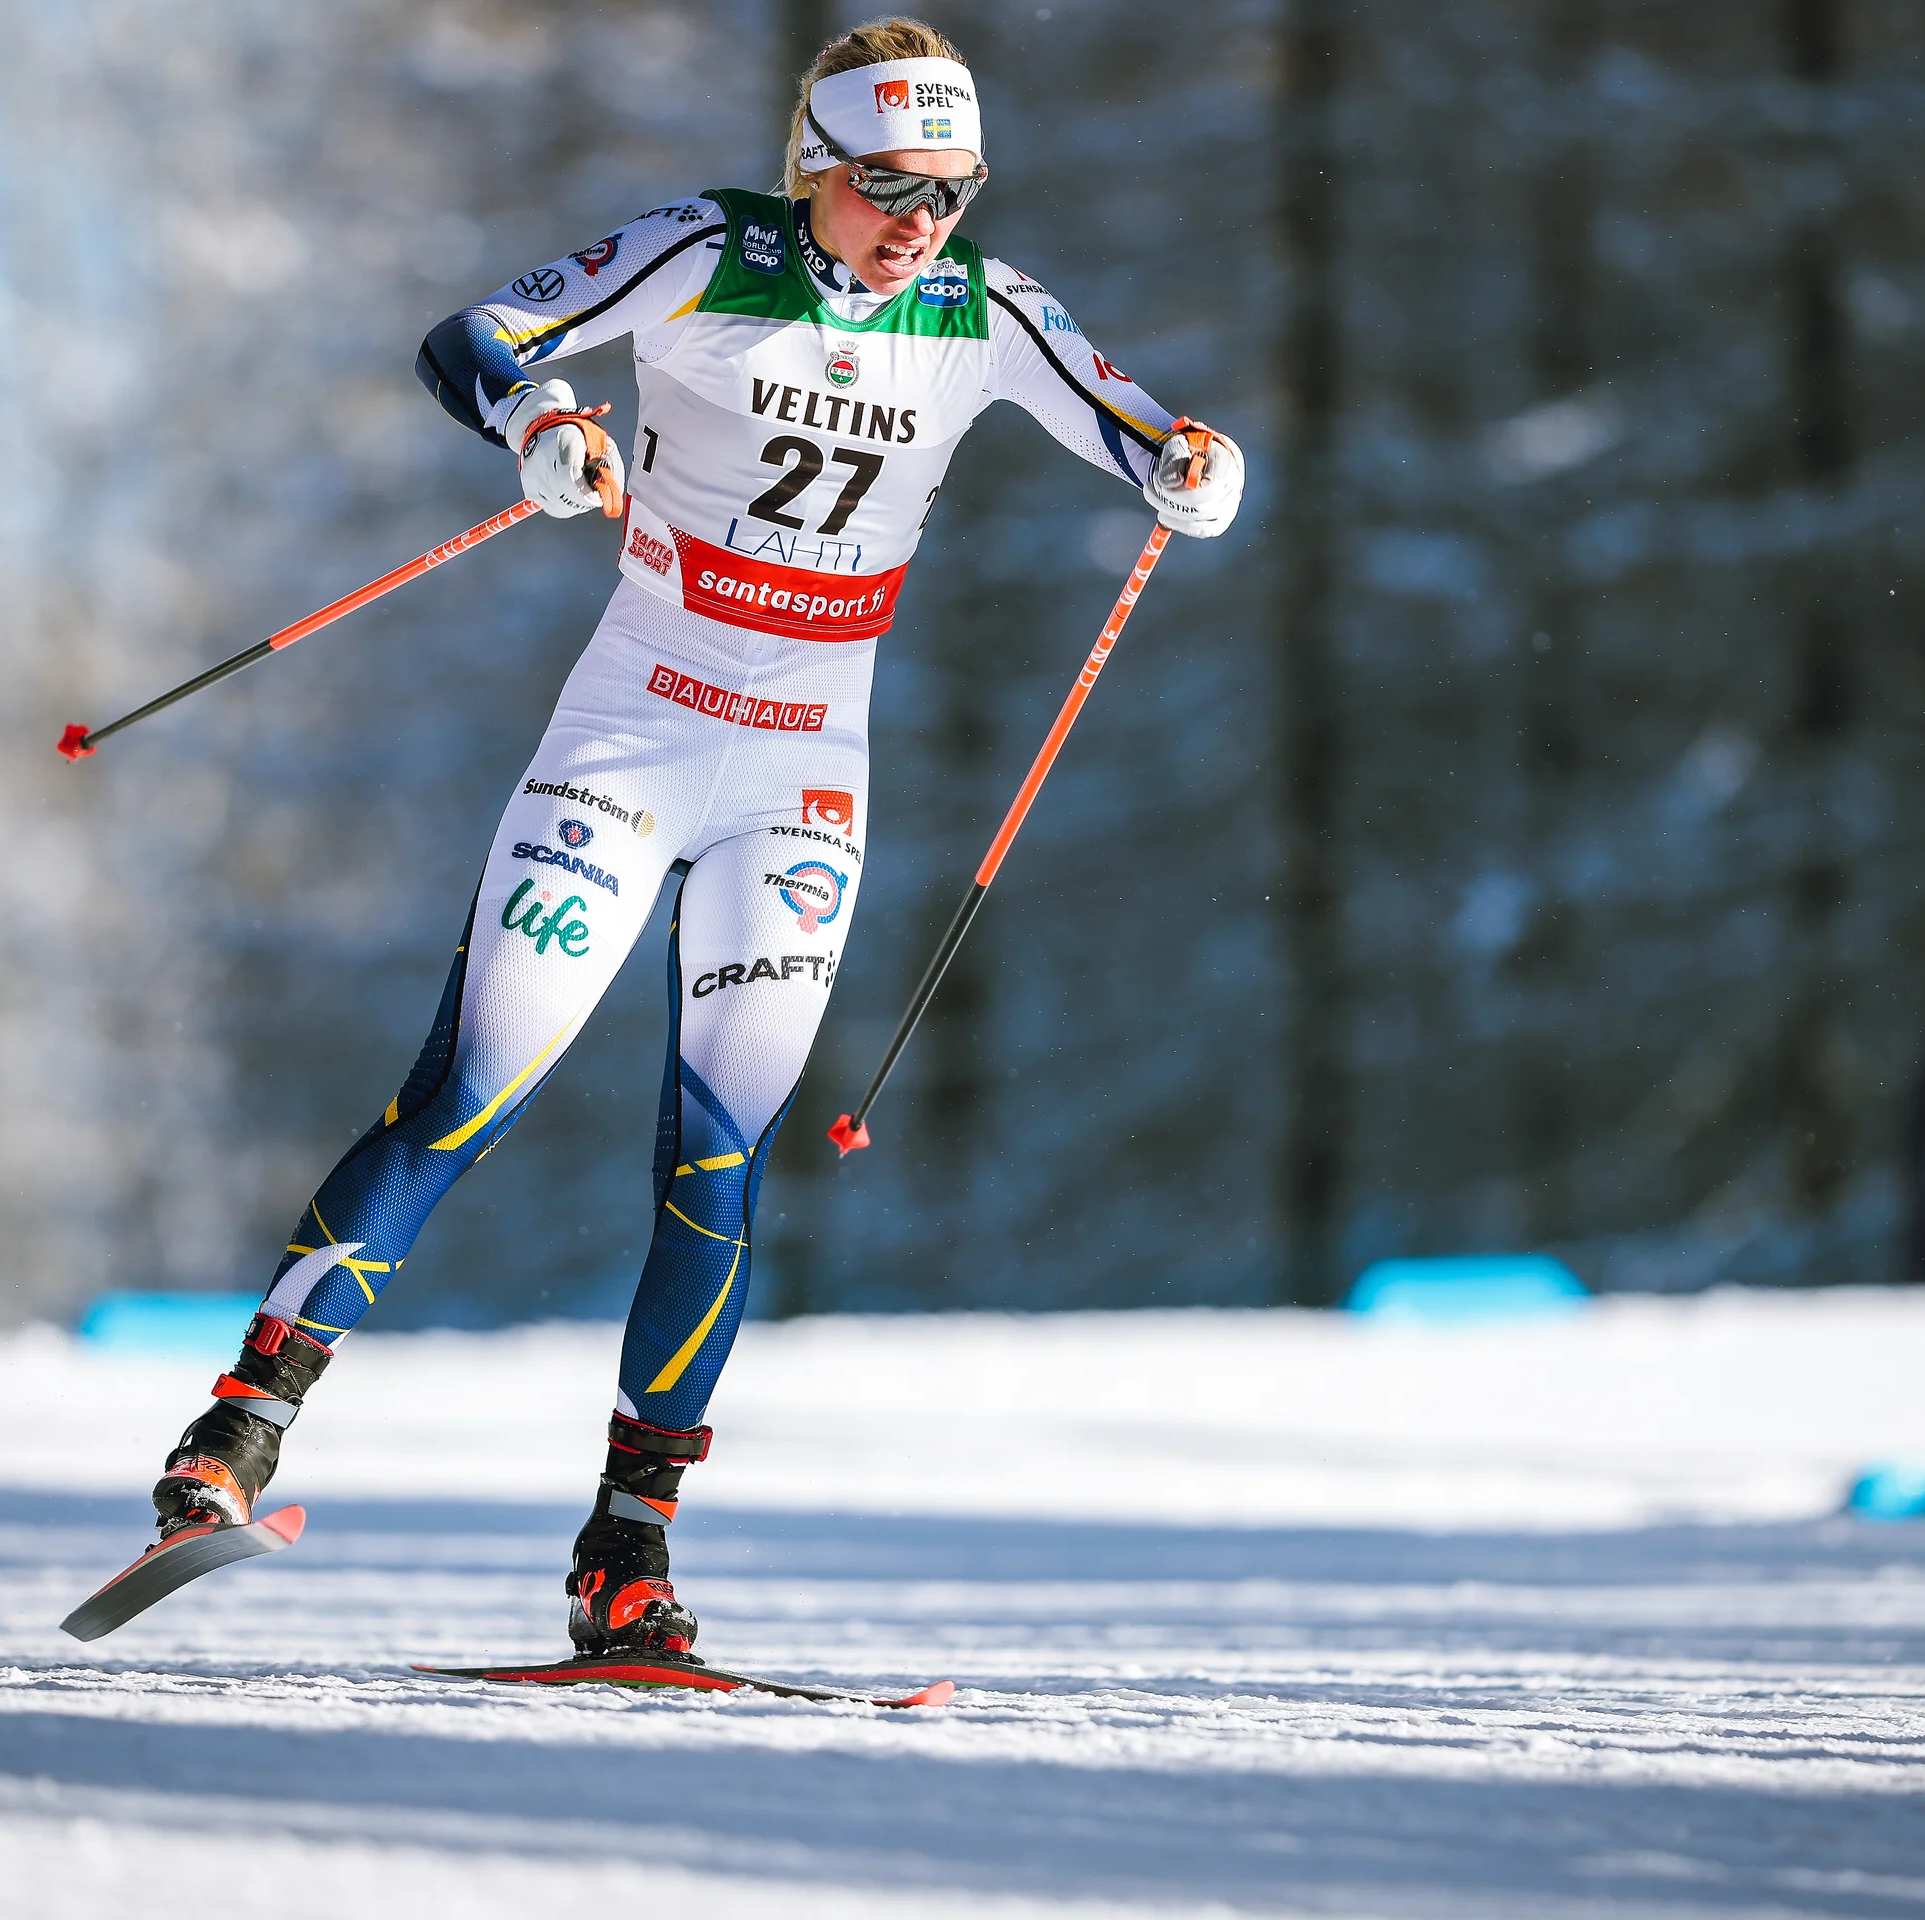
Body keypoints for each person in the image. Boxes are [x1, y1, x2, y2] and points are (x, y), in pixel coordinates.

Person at [140, 16, 1243, 1661]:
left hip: (803, 782)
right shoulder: (710, 249)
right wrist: (539, 424)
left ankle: (629, 1553)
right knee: (470, 1092)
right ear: (816, 165)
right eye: (889, 187)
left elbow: (1148, 428)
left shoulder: (985, 306)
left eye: (952, 189)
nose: (921, 223)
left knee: (717, 1161)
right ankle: (236, 1433)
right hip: (630, 743)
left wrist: (1192, 466)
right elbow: (472, 334)